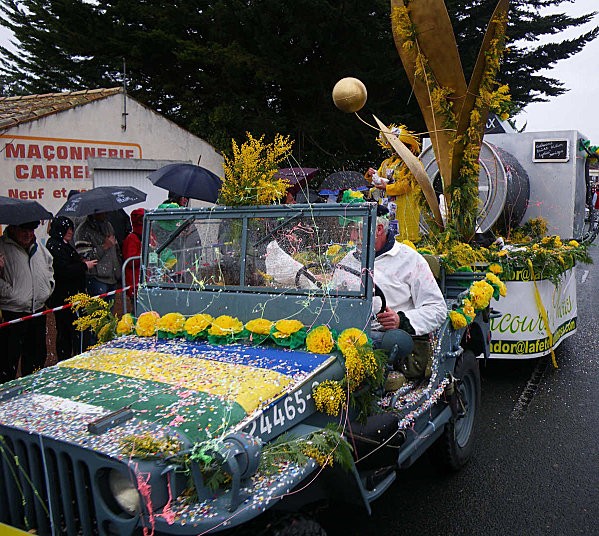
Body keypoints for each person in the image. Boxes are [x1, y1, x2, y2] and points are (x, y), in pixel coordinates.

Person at [0, 220, 54, 382]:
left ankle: (33, 391)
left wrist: (48, 286)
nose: (28, 234)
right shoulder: (2, 247)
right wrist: (10, 293)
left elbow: (49, 266)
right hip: (13, 313)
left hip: (37, 309)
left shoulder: (39, 247)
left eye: (31, 230)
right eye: (23, 229)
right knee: (7, 361)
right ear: (13, 228)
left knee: (37, 358)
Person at [46, 217, 97, 361]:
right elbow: (63, 270)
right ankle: (67, 357)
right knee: (66, 331)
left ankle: (76, 355)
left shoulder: (64, 245)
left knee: (75, 329)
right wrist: (83, 266)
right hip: (64, 296)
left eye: (71, 228)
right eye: (67, 229)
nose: (70, 232)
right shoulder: (54, 246)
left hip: (74, 294)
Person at [365, 124, 423, 242]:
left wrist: (387, 187)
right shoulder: (387, 162)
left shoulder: (413, 163)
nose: (394, 149)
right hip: (387, 204)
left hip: (405, 207)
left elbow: (407, 184)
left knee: (403, 237)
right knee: (387, 233)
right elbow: (379, 177)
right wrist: (372, 175)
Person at [74, 212, 122, 297]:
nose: (105, 214)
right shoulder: (82, 231)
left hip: (112, 276)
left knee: (110, 308)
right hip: (97, 278)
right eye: (102, 212)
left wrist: (118, 267)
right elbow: (85, 257)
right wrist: (104, 247)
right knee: (97, 309)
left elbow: (116, 249)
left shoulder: (108, 226)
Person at [122, 208, 145, 299]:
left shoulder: (148, 235)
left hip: (144, 278)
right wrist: (144, 255)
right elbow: (131, 261)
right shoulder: (132, 238)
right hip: (135, 280)